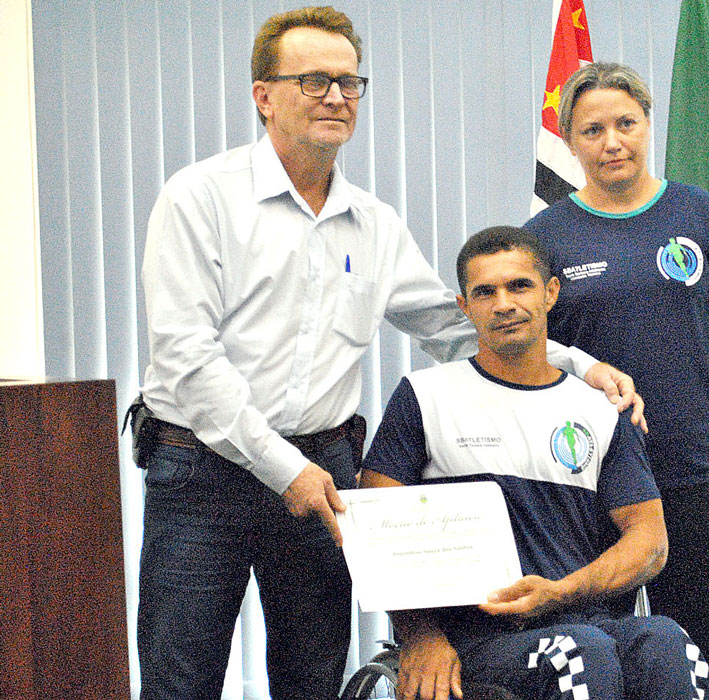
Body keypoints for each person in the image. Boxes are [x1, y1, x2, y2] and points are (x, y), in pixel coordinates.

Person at [135, 11, 642, 700]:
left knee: (313, 678)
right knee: (181, 681)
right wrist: (287, 470)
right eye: (314, 80)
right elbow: (187, 359)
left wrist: (578, 366)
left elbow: (452, 324)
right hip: (203, 473)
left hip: (323, 474)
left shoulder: (371, 223)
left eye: (349, 82)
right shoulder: (201, 198)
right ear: (263, 96)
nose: (336, 97)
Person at [360, 226, 709, 700]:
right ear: (465, 308)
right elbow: (380, 539)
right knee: (578, 653)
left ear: (550, 293)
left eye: (519, 286)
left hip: (588, 619)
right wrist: (420, 636)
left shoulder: (601, 409)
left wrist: (562, 591)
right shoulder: (425, 397)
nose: (503, 303)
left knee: (670, 643)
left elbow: (650, 542)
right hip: (476, 640)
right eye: (485, 292)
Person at [523, 62, 709, 699]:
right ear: (571, 142)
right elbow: (527, 356)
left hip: (692, 470)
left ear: (647, 124)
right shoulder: (543, 237)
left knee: (689, 655)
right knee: (593, 655)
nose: (612, 141)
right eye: (593, 130)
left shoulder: (704, 218)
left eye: (625, 124)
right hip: (585, 478)